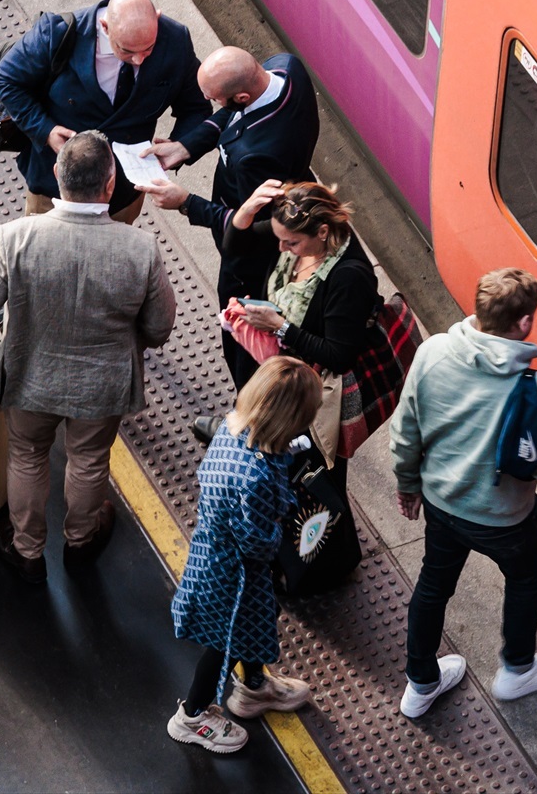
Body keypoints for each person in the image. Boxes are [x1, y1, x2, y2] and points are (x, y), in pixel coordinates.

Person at [0, 130, 175, 582]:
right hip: (103, 385)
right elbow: (158, 328)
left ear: (56, 175)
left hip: (31, 376)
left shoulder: (15, 237)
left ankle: (27, 550)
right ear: (111, 185)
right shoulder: (140, 249)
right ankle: (81, 540)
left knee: (27, 455)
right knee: (89, 460)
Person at [390, 267, 537, 718]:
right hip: (506, 519)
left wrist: (408, 484)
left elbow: (405, 429)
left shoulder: (433, 352)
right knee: (526, 579)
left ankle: (421, 684)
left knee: (433, 586)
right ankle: (517, 670)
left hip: (441, 504)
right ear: (525, 323)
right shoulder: (533, 390)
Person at [168, 355, 323, 753]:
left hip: (216, 558)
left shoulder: (233, 429)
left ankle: (254, 685)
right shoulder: (256, 476)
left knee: (259, 618)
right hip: (233, 574)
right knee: (225, 641)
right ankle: (193, 715)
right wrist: (284, 531)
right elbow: (256, 542)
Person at [144, 46, 320, 395]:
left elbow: (253, 226)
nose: (213, 105)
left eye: (216, 99)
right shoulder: (286, 68)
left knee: (242, 334)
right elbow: (233, 115)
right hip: (294, 181)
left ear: (241, 95)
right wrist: (186, 146)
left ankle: (250, 407)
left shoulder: (255, 157)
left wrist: (186, 203)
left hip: (250, 258)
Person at [0, 0, 218, 224]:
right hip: (54, 188)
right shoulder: (58, 33)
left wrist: (179, 145)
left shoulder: (175, 41)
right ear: (105, 27)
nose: (139, 60)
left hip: (122, 195)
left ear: (157, 18)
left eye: (148, 49)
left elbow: (196, 108)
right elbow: (6, 80)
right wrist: (45, 130)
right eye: (127, 50)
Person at [223, 182, 381, 484]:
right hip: (272, 371)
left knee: (301, 479)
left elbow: (338, 355)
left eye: (291, 244)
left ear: (322, 232)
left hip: (300, 397)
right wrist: (247, 209)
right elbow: (235, 247)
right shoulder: (291, 228)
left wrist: (281, 327)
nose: (281, 247)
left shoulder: (348, 278)